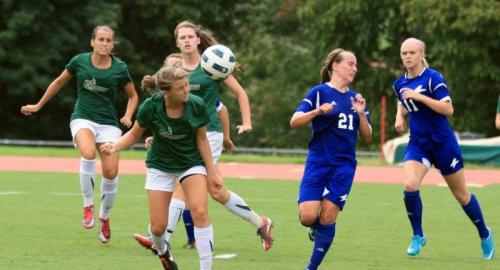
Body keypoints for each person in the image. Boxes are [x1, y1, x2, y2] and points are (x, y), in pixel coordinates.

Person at [135, 20, 273, 252]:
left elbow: (240, 93)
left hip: (208, 134)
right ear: (177, 42)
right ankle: (261, 223)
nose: (187, 40)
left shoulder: (211, 65)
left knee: (181, 184)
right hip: (184, 135)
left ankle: (160, 240)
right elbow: (164, 109)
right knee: (217, 191)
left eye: (191, 36)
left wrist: (246, 122)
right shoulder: (176, 72)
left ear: (198, 40)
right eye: (182, 37)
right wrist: (156, 136)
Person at [20, 25, 139, 244]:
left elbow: (133, 96)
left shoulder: (120, 68)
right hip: (83, 117)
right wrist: (37, 105)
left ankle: (104, 217)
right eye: (101, 39)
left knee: (111, 172)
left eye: (109, 40)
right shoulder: (79, 61)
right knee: (87, 151)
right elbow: (58, 82)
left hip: (109, 124)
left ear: (113, 44)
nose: (105, 43)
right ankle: (88, 204)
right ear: (92, 42)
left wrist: (128, 115)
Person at [101, 65, 218, 270]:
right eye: (181, 87)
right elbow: (135, 134)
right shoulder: (151, 106)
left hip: (190, 163)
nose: (186, 90)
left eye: (187, 85)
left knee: (200, 212)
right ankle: (164, 252)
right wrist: (116, 145)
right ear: (166, 91)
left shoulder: (196, 105)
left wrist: (212, 171)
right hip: (160, 165)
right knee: (157, 228)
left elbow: (202, 139)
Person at [393, 37, 495, 259]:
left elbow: (448, 109)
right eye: (404, 53)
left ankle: (485, 234)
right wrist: (399, 116)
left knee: (461, 195)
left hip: (443, 144)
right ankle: (418, 235)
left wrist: (420, 97)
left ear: (422, 55)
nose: (407, 56)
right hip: (419, 143)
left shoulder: (433, 78)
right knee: (410, 185)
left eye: (412, 52)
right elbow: (402, 100)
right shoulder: (399, 83)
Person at [290, 48, 372, 270]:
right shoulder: (319, 93)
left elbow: (367, 137)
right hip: (318, 161)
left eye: (355, 65)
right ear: (335, 66)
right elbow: (295, 121)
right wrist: (317, 112)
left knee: (328, 215)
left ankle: (311, 267)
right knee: (307, 216)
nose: (354, 68)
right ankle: (315, 228)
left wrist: (362, 114)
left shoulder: (357, 99)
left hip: (344, 166)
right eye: (350, 64)